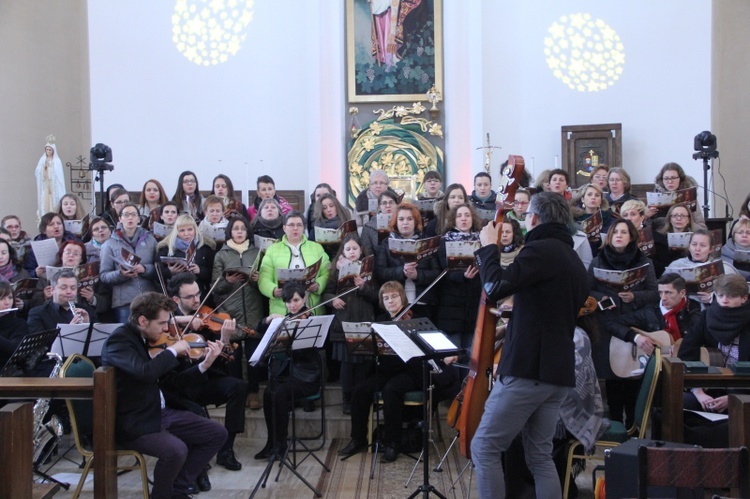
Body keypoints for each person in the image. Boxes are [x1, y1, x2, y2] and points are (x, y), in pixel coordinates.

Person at [471, 191, 589, 498]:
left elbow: (494, 287)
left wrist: (487, 249)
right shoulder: (572, 257)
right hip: (557, 373)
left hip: (528, 369)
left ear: (534, 219)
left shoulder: (540, 250)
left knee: (484, 447)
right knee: (539, 456)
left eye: (526, 217)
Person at [101, 292, 227, 499]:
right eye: (161, 323)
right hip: (136, 421)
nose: (166, 329)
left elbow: (170, 382)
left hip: (159, 412)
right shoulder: (119, 341)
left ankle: (177, 491)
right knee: (175, 451)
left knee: (216, 433)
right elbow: (145, 372)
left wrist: (205, 364)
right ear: (143, 320)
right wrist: (172, 351)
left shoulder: (144, 338)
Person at [339, 281, 459, 462]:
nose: (390, 301)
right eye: (386, 298)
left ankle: (392, 443)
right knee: (360, 390)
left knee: (391, 390)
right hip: (386, 369)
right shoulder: (380, 321)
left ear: (402, 297)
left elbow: (434, 341)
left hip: (411, 371)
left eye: (394, 296)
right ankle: (358, 439)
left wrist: (447, 355)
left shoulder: (415, 319)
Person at [165, 273, 247, 478]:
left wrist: (224, 339)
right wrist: (181, 320)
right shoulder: (165, 321)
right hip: (179, 386)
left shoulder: (207, 320)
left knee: (239, 386)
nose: (196, 300)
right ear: (176, 300)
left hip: (203, 381)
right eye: (190, 297)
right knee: (193, 409)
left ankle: (226, 449)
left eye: (198, 294)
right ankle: (197, 462)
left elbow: (221, 363)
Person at [676, 274, 750, 447]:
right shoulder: (706, 317)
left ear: (744, 298)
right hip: (710, 389)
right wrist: (698, 392)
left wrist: (733, 398)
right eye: (721, 295)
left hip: (745, 392)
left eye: (731, 296)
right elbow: (686, 353)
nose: (724, 300)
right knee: (679, 402)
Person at [253, 281, 323, 459]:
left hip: (307, 376)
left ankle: (281, 444)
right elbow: (258, 332)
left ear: (304, 299)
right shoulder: (285, 320)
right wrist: (267, 320)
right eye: (289, 301)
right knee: (269, 392)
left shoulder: (311, 321)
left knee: (280, 393)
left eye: (296, 300)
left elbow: (309, 350)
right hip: (287, 374)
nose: (293, 305)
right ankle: (271, 442)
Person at [211, 216, 265, 409]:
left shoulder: (257, 252)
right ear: (230, 232)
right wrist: (228, 281)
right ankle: (238, 392)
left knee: (253, 357)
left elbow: (264, 281)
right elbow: (215, 288)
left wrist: (257, 278)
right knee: (233, 358)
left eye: (243, 228)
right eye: (236, 229)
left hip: (253, 310)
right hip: (230, 310)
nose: (240, 232)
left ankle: (253, 392)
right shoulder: (221, 255)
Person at [322, 233, 378, 414]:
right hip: (343, 322)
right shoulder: (335, 269)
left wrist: (363, 287)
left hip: (364, 320)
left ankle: (359, 398)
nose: (352, 252)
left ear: (361, 250)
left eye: (355, 248)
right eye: (348, 249)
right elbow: (326, 293)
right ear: (343, 252)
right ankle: (347, 399)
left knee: (363, 363)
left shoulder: (369, 268)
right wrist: (333, 300)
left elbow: (377, 296)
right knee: (347, 365)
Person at [375, 203, 440, 318]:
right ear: (396, 222)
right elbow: (380, 273)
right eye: (401, 219)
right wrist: (402, 271)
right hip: (397, 304)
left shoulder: (427, 242)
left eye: (409, 219)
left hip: (423, 302)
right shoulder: (386, 243)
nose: (405, 222)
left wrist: (417, 275)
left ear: (415, 222)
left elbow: (436, 273)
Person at [258, 211, 330, 316]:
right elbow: (263, 277)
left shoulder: (316, 248)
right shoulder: (273, 249)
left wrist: (319, 285)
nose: (295, 228)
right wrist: (273, 290)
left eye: (299, 225)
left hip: (311, 307)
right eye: (291, 225)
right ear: (284, 228)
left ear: (303, 228)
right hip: (282, 310)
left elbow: (327, 271)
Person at [435, 203, 482, 355]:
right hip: (451, 305)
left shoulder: (481, 241)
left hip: (474, 303)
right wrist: (462, 276)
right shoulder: (445, 241)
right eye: (459, 216)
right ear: (453, 220)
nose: (463, 219)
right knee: (452, 356)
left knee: (472, 356)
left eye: (467, 215)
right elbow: (443, 270)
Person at [99, 202, 158, 323]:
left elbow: (159, 270)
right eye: (126, 215)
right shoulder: (109, 244)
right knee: (126, 338)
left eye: (133, 214)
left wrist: (145, 269)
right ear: (120, 219)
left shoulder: (151, 240)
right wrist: (121, 274)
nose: (130, 218)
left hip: (149, 300)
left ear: (139, 218)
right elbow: (104, 276)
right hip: (124, 302)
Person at [665, 228, 738, 308]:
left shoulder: (723, 267)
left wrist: (712, 297)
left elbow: (735, 292)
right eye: (694, 244)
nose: (697, 249)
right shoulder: (676, 265)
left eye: (703, 245)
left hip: (712, 309)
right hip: (681, 308)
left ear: (711, 249)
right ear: (689, 246)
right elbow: (662, 289)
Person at [157, 214, 216, 299]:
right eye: (182, 230)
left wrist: (200, 271)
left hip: (200, 294)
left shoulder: (205, 247)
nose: (186, 233)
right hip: (176, 295)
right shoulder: (166, 248)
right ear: (176, 232)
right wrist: (169, 272)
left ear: (195, 230)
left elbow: (213, 273)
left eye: (190, 229)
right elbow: (157, 274)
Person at [27, 269, 96, 333]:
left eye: (73, 288)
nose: (69, 292)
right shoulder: (37, 313)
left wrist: (87, 327)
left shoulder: (88, 312)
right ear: (52, 290)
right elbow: (40, 345)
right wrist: (69, 330)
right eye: (63, 288)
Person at [648, 162, 707, 229]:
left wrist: (686, 222)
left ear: (680, 179)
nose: (670, 182)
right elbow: (647, 225)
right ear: (662, 179)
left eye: (673, 178)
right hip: (661, 233)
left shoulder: (689, 196)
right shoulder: (655, 195)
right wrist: (646, 216)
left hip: (686, 232)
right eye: (666, 178)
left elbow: (700, 224)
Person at [571, 183, 613, 257]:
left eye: (597, 195)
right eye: (589, 194)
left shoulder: (607, 217)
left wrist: (600, 237)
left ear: (600, 201)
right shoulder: (575, 218)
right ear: (582, 199)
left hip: (603, 253)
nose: (593, 197)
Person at [360, 190, 399, 255]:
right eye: (384, 203)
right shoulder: (368, 227)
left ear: (396, 205)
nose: (388, 206)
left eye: (391, 202)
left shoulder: (403, 223)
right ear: (379, 207)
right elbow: (368, 254)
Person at [35, 137, 66, 219]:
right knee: (45, 200)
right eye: (47, 150)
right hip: (46, 183)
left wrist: (50, 168)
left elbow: (58, 174)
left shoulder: (57, 161)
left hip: (53, 184)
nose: (48, 151)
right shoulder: (42, 159)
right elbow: (37, 172)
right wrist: (44, 168)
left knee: (53, 201)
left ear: (53, 151)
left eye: (50, 150)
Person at [0, 281, 29, 368]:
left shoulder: (19, 324)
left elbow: (15, 349)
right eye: (1, 299)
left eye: (10, 298)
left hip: (9, 372)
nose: (7, 302)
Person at [721, 218, 750, 282]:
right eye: (740, 232)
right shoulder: (723, 253)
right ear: (733, 235)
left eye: (749, 233)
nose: (744, 235)